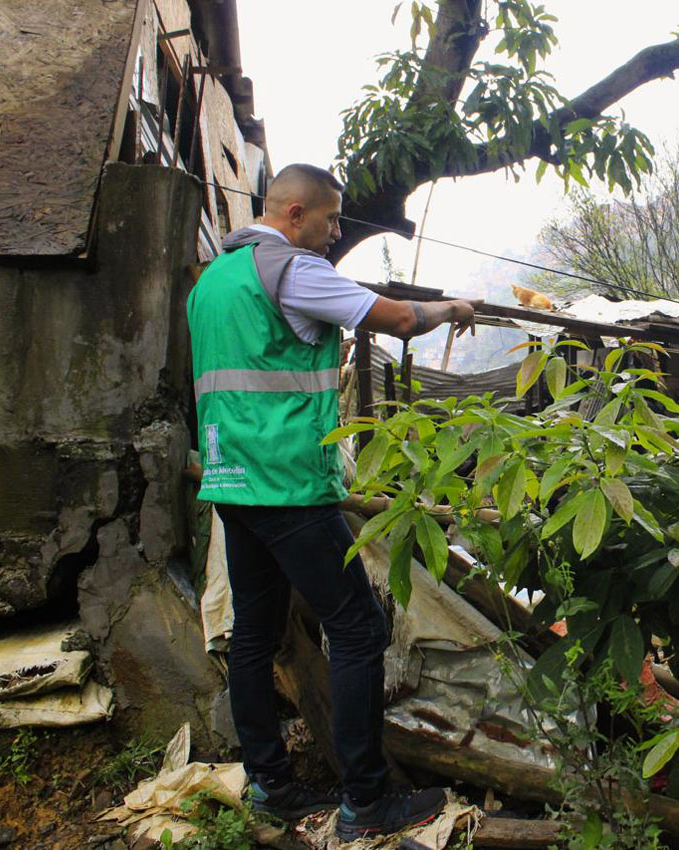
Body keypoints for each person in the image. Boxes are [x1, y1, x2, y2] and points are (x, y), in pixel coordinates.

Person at [187, 163, 479, 841]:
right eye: (331, 218)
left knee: (256, 637)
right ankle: (366, 803)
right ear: (294, 214)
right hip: (288, 483)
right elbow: (401, 318)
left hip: (232, 482)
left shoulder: (212, 281)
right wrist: (452, 309)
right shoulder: (286, 267)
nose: (336, 231)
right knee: (357, 629)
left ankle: (270, 786)